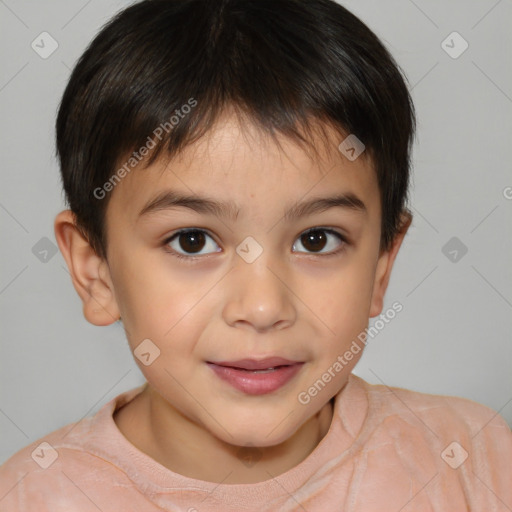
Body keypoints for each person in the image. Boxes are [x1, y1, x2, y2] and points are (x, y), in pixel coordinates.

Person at [1, 0, 510, 510]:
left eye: (317, 239)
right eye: (192, 241)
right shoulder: (33, 496)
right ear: (96, 273)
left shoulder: (473, 459)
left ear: (380, 265)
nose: (264, 307)